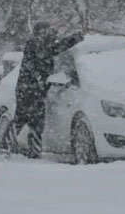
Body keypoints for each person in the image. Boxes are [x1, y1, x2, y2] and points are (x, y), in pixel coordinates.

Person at [14, 21, 84, 156]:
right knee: (21, 120)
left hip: (37, 91)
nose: (50, 34)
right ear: (40, 33)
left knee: (35, 123)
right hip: (27, 90)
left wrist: (76, 38)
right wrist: (39, 78)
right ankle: (5, 145)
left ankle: (33, 152)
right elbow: (43, 56)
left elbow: (56, 48)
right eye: (47, 31)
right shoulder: (34, 44)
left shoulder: (44, 46)